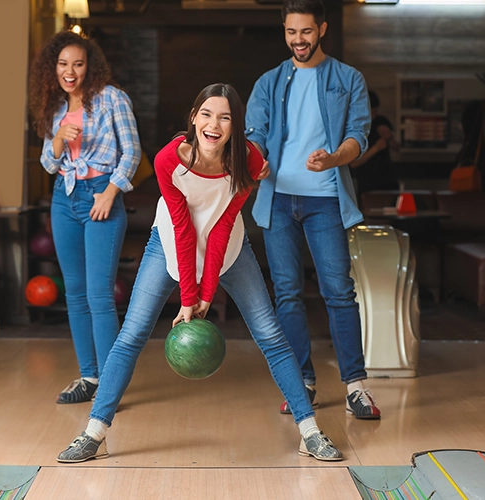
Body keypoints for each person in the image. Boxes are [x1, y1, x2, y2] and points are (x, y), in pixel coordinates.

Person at [56, 83, 343, 464]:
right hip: (171, 241)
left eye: (225, 117)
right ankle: (94, 433)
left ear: (236, 127)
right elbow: (183, 228)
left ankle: (309, 432)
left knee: (271, 335)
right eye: (207, 114)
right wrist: (190, 298)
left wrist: (208, 294)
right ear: (194, 118)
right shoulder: (168, 160)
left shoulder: (250, 161)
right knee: (131, 335)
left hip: (228, 248)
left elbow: (223, 224)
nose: (214, 124)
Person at [245, 0, 381, 420]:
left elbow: (359, 133)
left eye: (306, 32)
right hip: (279, 201)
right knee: (286, 293)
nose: (298, 40)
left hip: (326, 200)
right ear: (284, 31)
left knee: (338, 292)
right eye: (291, 32)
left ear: (321, 29)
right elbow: (254, 136)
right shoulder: (269, 82)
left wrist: (335, 158)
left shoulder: (347, 78)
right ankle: (300, 382)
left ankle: (356, 387)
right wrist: (258, 161)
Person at [28, 31, 141, 404]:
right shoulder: (56, 107)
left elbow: (132, 152)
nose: (70, 71)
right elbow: (49, 162)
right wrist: (59, 136)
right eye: (63, 64)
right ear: (53, 68)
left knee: (99, 296)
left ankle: (110, 386)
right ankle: (89, 377)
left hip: (101, 196)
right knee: (75, 295)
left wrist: (111, 192)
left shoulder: (112, 99)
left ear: (89, 65)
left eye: (77, 63)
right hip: (65, 198)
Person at [350, 90, 400, 194]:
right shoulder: (354, 127)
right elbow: (353, 163)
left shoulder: (381, 121)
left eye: (375, 112)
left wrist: (390, 137)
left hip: (388, 178)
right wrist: (376, 149)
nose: (373, 117)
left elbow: (397, 147)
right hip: (367, 181)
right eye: (370, 113)